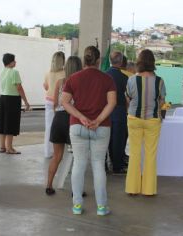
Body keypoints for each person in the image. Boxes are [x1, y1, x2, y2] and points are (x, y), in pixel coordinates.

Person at [62, 46, 117, 216]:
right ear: (99, 60)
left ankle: (77, 206)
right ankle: (101, 207)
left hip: (78, 126)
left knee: (79, 164)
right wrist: (98, 120)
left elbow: (64, 102)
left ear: (84, 60)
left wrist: (82, 117)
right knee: (98, 165)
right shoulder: (107, 79)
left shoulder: (73, 78)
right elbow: (112, 103)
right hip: (101, 128)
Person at [125, 49, 166, 196]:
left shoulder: (131, 80)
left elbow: (128, 99)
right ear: (153, 63)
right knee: (150, 155)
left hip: (134, 119)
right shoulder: (160, 81)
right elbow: (162, 102)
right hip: (152, 121)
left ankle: (132, 188)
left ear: (139, 62)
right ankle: (149, 190)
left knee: (135, 153)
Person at [46, 56, 82, 195]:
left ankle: (49, 185)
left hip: (59, 119)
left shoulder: (60, 82)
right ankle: (76, 189)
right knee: (78, 157)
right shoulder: (80, 83)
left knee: (57, 156)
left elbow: (55, 103)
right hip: (73, 119)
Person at [0, 53, 30, 154]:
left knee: (3, 122)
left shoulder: (1, 71)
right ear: (10, 62)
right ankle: (9, 148)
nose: (15, 62)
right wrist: (26, 101)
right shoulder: (14, 72)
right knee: (11, 122)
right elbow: (19, 88)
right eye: (14, 60)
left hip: (3, 97)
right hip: (12, 99)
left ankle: (2, 147)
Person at [106, 51, 128, 174]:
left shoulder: (104, 75)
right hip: (120, 110)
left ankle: (106, 163)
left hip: (106, 110)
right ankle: (117, 166)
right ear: (120, 62)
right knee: (118, 139)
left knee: (107, 138)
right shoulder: (125, 78)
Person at [43, 51, 65, 159]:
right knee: (61, 128)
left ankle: (47, 152)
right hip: (60, 103)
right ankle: (60, 151)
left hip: (48, 101)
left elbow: (46, 87)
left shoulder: (48, 73)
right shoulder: (64, 74)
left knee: (49, 127)